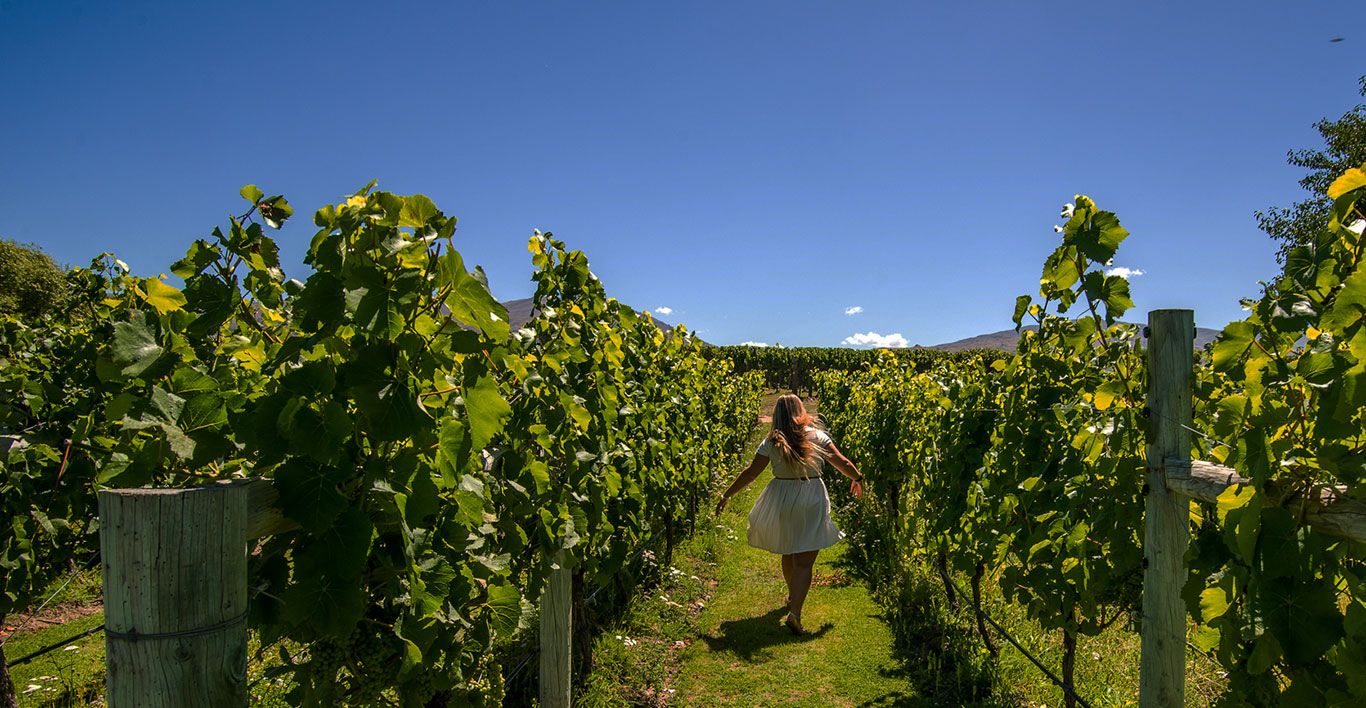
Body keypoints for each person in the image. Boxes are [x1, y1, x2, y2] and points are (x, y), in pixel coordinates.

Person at [715, 394, 864, 635]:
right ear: (801, 410)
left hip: (782, 497)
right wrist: (857, 477)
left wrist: (726, 494)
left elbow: (751, 473)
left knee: (788, 549)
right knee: (805, 561)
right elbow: (841, 461)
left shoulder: (771, 441)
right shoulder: (816, 437)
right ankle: (795, 612)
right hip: (810, 495)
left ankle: (792, 595)